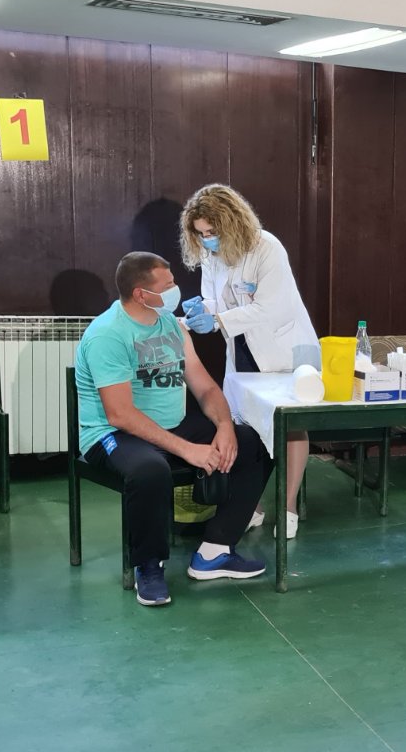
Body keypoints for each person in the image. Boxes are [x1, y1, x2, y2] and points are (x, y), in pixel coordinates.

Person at [75, 251, 273, 607]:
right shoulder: (107, 335)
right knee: (150, 469)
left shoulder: (170, 325)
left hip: (171, 424)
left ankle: (214, 551)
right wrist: (187, 450)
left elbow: (204, 387)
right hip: (111, 434)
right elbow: (120, 415)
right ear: (141, 294)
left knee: (253, 443)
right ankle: (149, 566)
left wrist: (225, 425)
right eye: (167, 286)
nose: (175, 290)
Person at [179, 184, 318, 541]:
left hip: (284, 348)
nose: (207, 240)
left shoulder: (267, 248)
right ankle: (251, 505)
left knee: (290, 424)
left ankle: (288, 505)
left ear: (232, 222)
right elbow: (216, 300)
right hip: (242, 348)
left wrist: (218, 320)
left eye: (212, 232)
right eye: (201, 234)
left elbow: (271, 307)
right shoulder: (211, 254)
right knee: (248, 427)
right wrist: (201, 310)